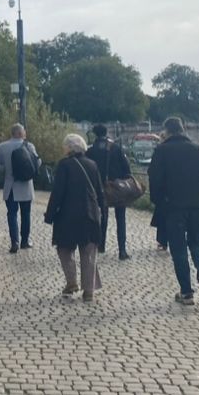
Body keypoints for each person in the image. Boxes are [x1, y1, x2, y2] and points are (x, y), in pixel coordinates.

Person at [149, 116, 199, 306]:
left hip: (173, 207)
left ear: (167, 131)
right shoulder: (198, 149)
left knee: (179, 249)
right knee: (197, 241)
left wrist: (159, 202)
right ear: (183, 129)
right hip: (197, 205)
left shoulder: (161, 151)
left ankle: (187, 292)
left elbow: (154, 180)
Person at [44, 134, 105, 302]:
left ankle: (71, 282)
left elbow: (58, 193)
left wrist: (49, 215)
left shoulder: (64, 166)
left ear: (69, 148)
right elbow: (100, 192)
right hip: (90, 214)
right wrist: (103, 213)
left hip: (67, 216)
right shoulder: (93, 165)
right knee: (88, 252)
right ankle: (89, 290)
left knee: (64, 249)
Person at [86, 124, 133, 260]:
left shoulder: (91, 150)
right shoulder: (116, 148)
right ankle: (122, 250)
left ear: (94, 134)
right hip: (116, 187)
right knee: (121, 218)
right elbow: (126, 167)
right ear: (106, 133)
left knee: (102, 217)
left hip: (99, 188)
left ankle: (101, 245)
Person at [0, 123, 39, 253]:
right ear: (21, 133)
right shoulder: (29, 146)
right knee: (26, 214)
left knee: (12, 214)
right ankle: (25, 241)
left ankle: (14, 241)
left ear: (12, 133)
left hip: (11, 186)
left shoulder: (3, 147)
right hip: (26, 186)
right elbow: (37, 163)